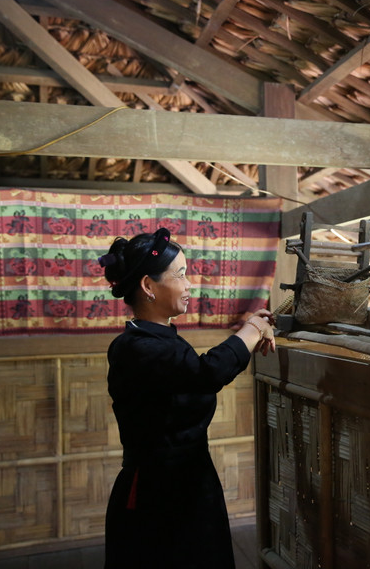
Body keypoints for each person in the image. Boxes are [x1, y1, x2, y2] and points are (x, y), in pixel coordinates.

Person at [99, 227, 274, 568]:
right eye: (180, 275)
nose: (188, 284)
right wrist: (251, 330)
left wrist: (251, 331)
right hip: (157, 494)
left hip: (189, 484)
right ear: (149, 287)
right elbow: (206, 373)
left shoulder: (162, 340)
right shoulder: (137, 348)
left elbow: (196, 372)